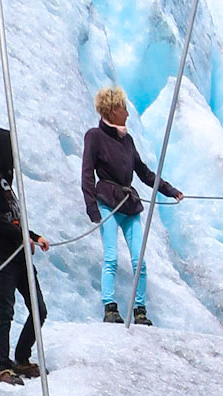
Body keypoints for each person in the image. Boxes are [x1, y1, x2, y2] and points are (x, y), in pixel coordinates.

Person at [81, 86, 182, 325]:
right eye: (124, 108)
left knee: (140, 260)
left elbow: (144, 173)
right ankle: (110, 307)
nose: (127, 113)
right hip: (107, 203)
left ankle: (140, 310)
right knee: (112, 258)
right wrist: (92, 207)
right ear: (114, 109)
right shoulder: (94, 136)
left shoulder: (127, 140)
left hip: (128, 204)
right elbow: (87, 174)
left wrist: (169, 191)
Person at [0, 128, 48, 386]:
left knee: (39, 310)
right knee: (5, 308)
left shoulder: (6, 180)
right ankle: (4, 366)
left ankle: (21, 358)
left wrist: (33, 235)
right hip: (3, 253)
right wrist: (21, 236)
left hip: (20, 253)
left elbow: (14, 219)